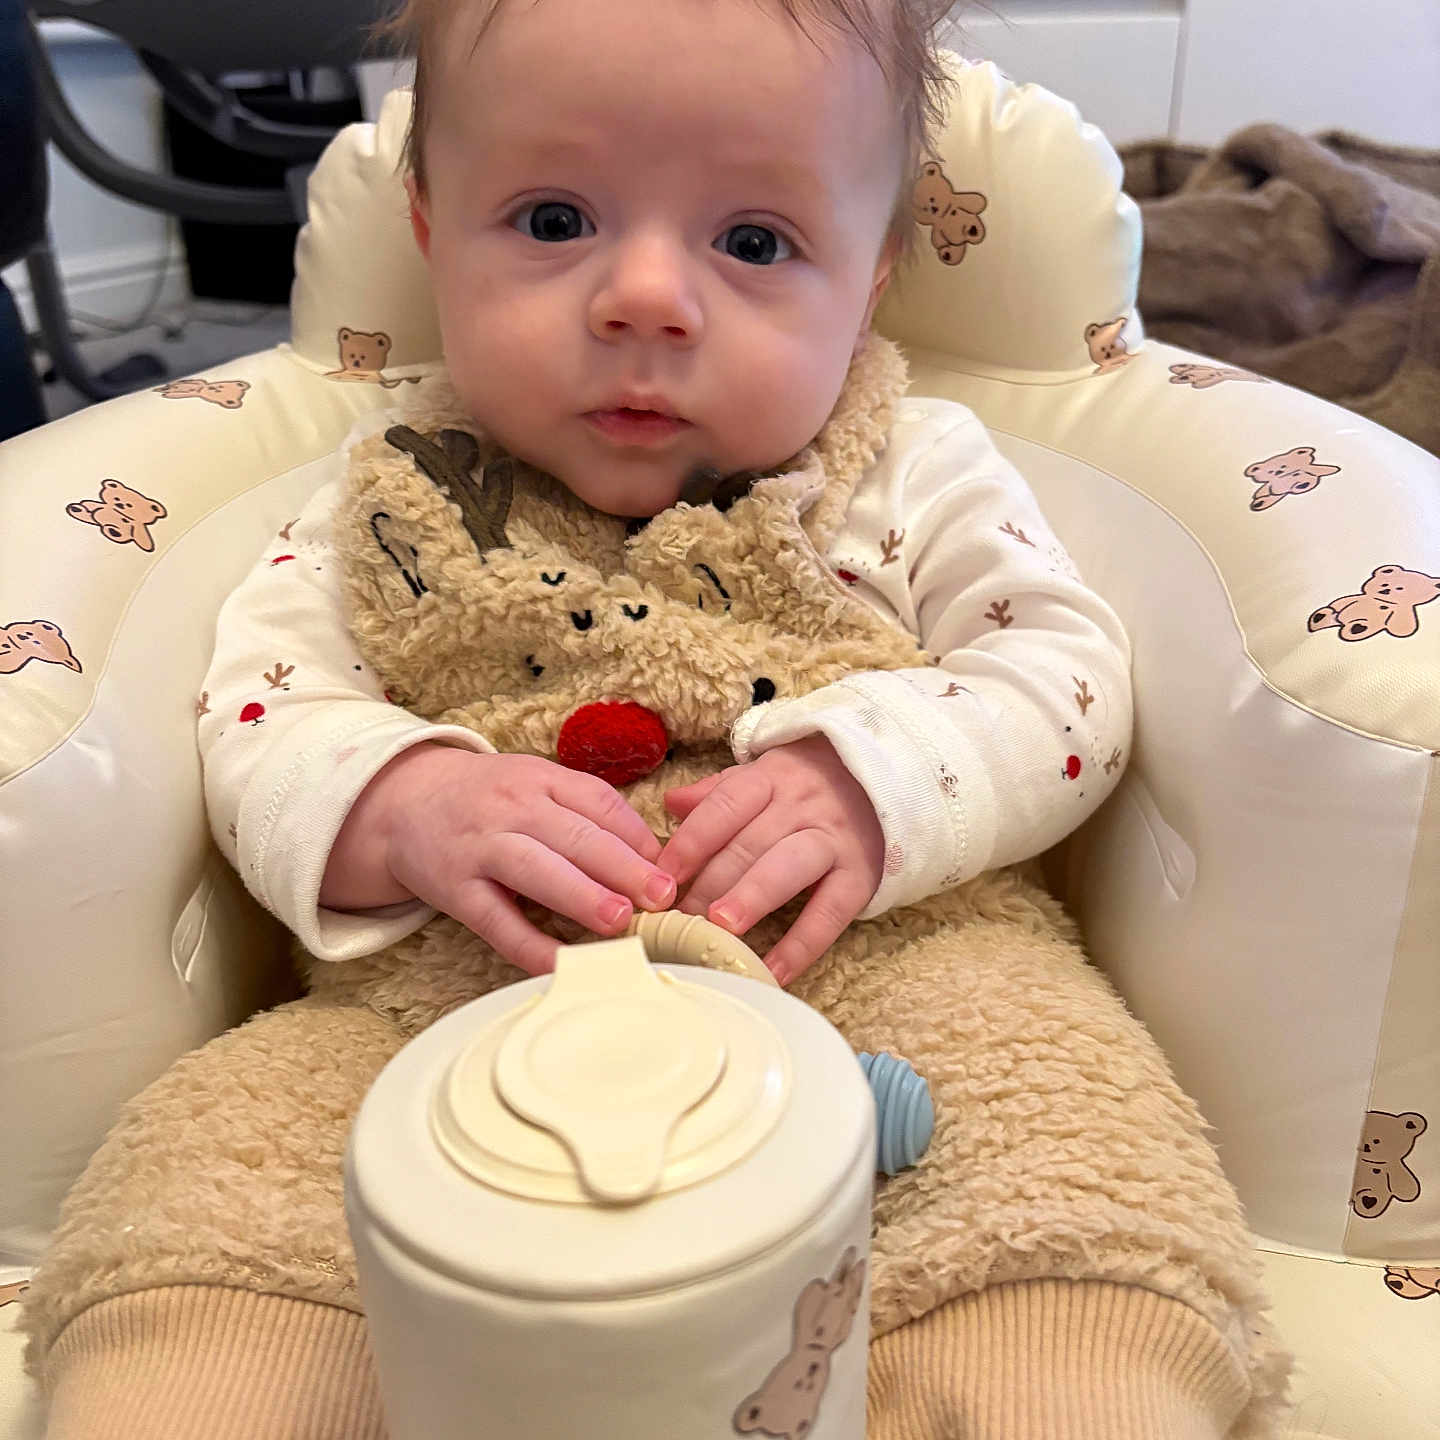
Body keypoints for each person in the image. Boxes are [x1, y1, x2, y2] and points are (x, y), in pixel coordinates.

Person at [21, 0, 1291, 1435]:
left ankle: (1063, 1365)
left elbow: (1064, 674)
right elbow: (262, 708)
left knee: (1056, 1147)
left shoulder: (907, 465)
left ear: (868, 281)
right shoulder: (387, 497)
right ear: (434, 234)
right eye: (553, 216)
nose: (644, 297)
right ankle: (208, 1360)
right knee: (225, 1172)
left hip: (886, 969)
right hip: (445, 993)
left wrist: (882, 782)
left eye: (754, 244)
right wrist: (400, 805)